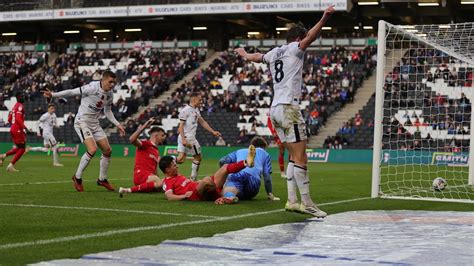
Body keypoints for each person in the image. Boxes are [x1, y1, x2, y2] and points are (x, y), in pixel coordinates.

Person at [234, 5, 335, 218]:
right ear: (297, 37)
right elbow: (311, 37)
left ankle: (291, 200)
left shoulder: (273, 53)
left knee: (292, 156)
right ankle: (307, 203)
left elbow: (255, 57)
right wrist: (324, 17)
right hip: (289, 108)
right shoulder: (294, 48)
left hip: (275, 110)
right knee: (301, 157)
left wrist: (243, 53)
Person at [42, 70, 126, 192]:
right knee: (92, 149)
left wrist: (118, 124)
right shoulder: (92, 87)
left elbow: (107, 111)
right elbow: (72, 92)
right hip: (82, 121)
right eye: (110, 82)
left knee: (108, 150)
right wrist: (53, 95)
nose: (112, 84)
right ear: (103, 80)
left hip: (94, 123)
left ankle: (102, 179)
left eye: (114, 82)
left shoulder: (110, 94)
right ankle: (77, 177)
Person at [159, 145, 256, 202]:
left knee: (225, 167)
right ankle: (223, 196)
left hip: (200, 187)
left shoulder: (178, 176)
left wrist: (198, 182)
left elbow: (188, 184)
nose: (177, 166)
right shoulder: (167, 182)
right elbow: (169, 196)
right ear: (167, 169)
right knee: (207, 180)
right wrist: (183, 196)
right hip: (195, 194)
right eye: (174, 165)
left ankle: (247, 162)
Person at [217, 136, 280, 204]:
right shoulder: (265, 153)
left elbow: (222, 161)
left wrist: (224, 177)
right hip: (253, 182)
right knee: (246, 194)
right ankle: (234, 195)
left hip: (238, 175)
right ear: (264, 147)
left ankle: (230, 195)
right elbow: (267, 178)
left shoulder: (239, 151)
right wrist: (270, 194)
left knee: (230, 187)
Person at [176, 92, 221, 180]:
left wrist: (212, 131)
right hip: (188, 138)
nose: (201, 101)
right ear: (194, 99)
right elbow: (180, 126)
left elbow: (202, 121)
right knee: (198, 158)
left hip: (183, 137)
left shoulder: (196, 110)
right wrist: (184, 139)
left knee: (181, 159)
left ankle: (164, 162)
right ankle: (193, 179)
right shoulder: (185, 110)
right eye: (199, 99)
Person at [118, 118, 166, 197]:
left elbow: (155, 169)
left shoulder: (156, 151)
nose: (164, 137)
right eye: (162, 135)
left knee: (165, 181)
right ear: (156, 135)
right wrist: (144, 126)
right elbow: (132, 139)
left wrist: (158, 180)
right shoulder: (145, 144)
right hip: (140, 175)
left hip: (150, 177)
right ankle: (128, 190)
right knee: (160, 183)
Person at [0, 92, 30, 172]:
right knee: (22, 149)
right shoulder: (20, 106)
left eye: (23, 96)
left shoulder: (14, 106)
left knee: (19, 148)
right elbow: (18, 119)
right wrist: (25, 128)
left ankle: (3, 156)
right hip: (17, 129)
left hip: (13, 128)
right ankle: (11, 165)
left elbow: (10, 119)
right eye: (22, 96)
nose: (23, 97)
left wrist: (14, 125)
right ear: (18, 97)